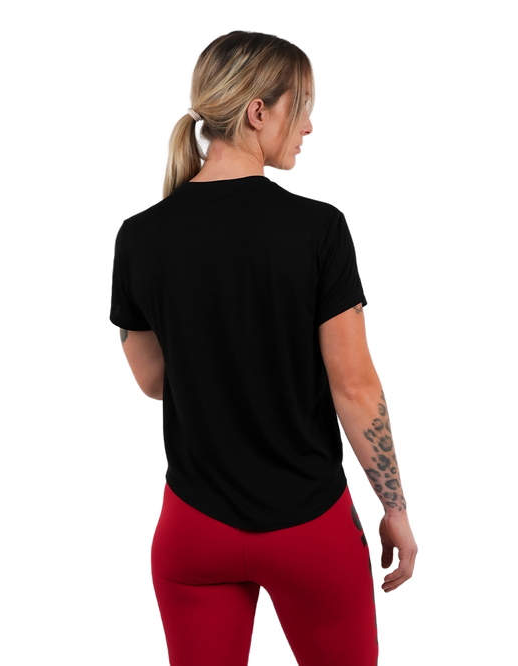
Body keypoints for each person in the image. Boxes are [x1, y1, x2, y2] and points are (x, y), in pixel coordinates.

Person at [108, 27, 420, 666]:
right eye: (302, 108)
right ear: (258, 112)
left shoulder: (138, 236)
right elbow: (355, 386)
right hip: (308, 526)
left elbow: (152, 380)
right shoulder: (319, 227)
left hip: (194, 528)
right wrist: (394, 506)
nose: (310, 127)